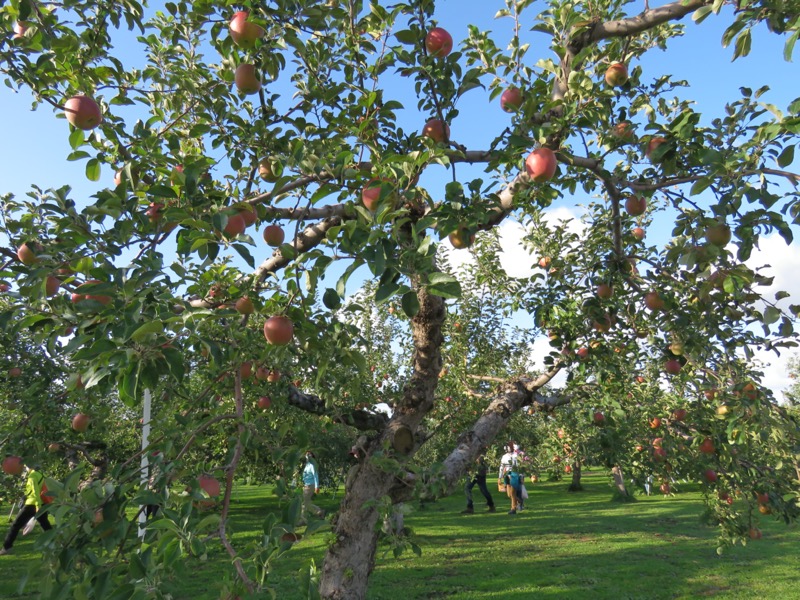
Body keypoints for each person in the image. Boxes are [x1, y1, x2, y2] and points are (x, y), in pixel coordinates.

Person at [1, 466, 52, 555]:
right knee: (45, 525)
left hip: (32, 504)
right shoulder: (40, 474)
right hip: (41, 503)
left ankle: (6, 547)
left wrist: (37, 505)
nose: (25, 468)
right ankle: (59, 543)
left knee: (15, 525)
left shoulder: (32, 476)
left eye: (25, 466)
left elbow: (35, 491)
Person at [300, 450, 324, 523]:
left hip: (310, 485)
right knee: (306, 503)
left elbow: (315, 476)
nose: (307, 455)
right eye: (306, 454)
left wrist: (317, 487)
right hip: (306, 485)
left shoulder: (312, 465)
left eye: (309, 454)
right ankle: (319, 511)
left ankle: (303, 519)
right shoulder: (307, 464)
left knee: (304, 503)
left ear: (312, 456)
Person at [498, 443, 520, 514]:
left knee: (513, 492)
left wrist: (521, 475)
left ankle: (513, 509)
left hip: (514, 474)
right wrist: (500, 477)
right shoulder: (504, 456)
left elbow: (519, 465)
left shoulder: (516, 455)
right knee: (509, 494)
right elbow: (502, 467)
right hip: (507, 474)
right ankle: (519, 500)